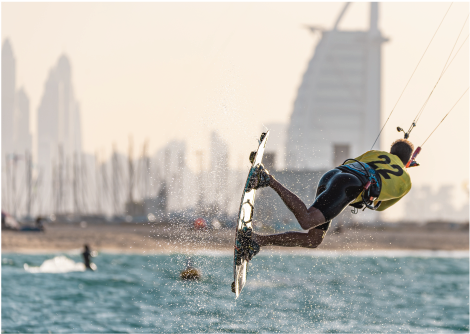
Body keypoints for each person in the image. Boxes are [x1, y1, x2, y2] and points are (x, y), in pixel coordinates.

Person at [238, 139, 414, 260]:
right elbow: (380, 206)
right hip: (348, 186)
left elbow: (354, 165)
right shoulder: (406, 182)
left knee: (313, 239)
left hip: (333, 175)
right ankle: (266, 178)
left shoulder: (376, 153)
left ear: (392, 152)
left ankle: (257, 240)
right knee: (307, 221)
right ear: (407, 162)